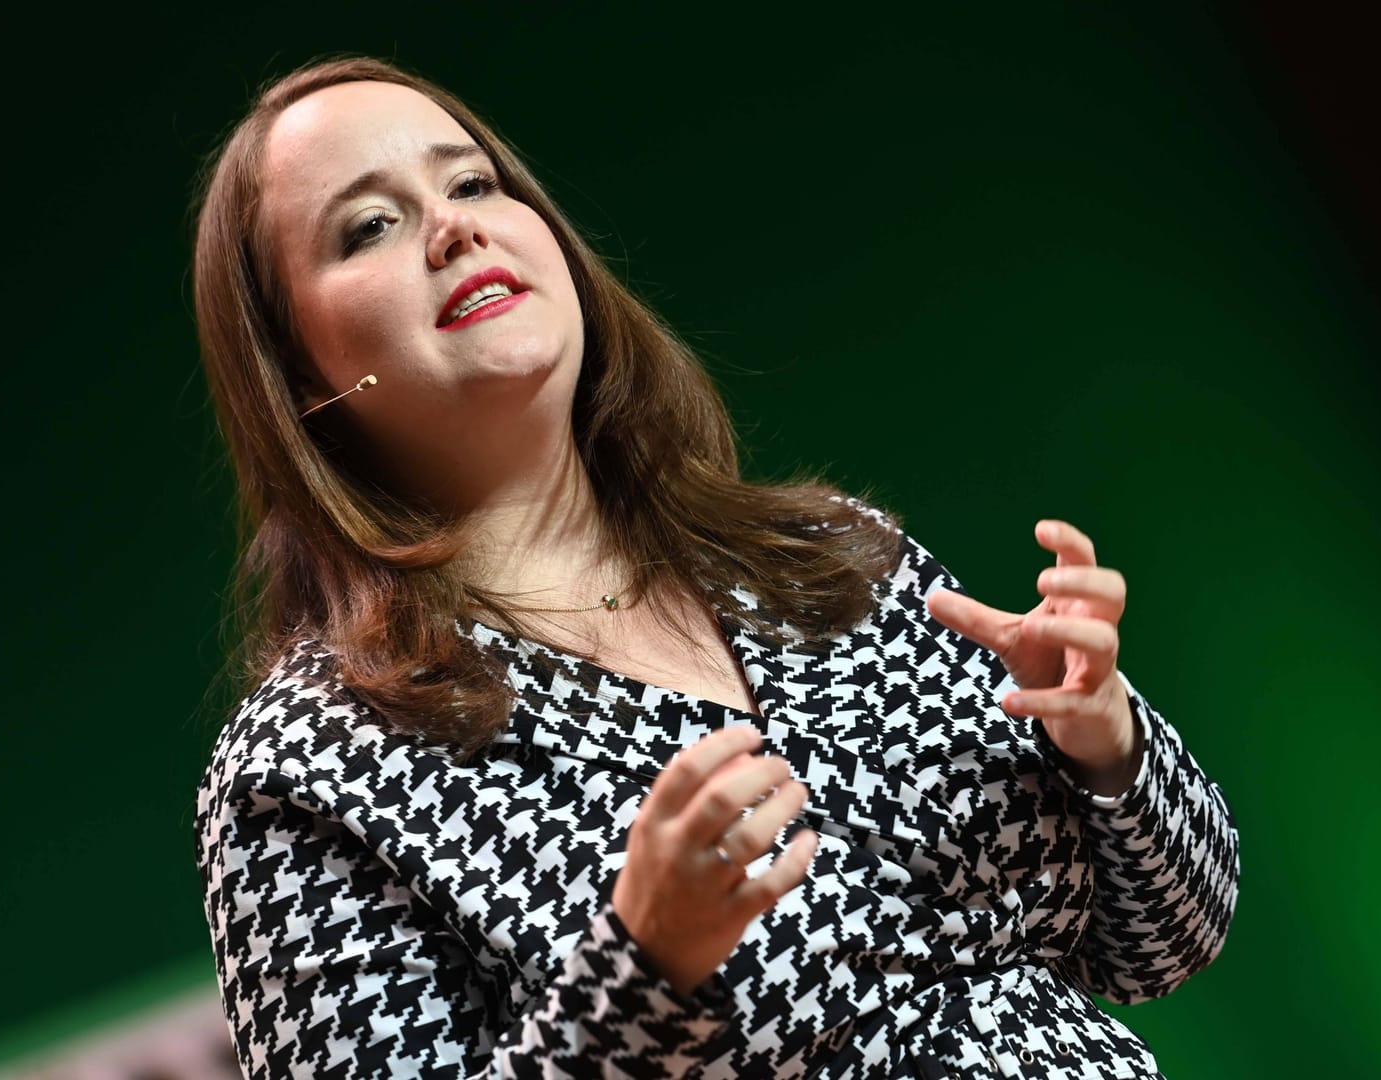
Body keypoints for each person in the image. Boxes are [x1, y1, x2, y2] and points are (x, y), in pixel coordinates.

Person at [191, 55, 1240, 1079]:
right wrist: (640, 971)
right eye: (373, 225)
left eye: (473, 181)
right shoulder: (305, 772)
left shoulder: (824, 554)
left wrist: (1107, 743)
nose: (455, 226)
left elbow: (1165, 946)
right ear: (301, 378)